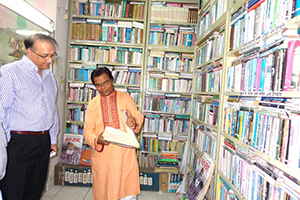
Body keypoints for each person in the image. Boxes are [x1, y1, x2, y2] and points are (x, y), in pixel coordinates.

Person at [0, 33, 59, 200]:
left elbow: (52, 110)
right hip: (17, 142)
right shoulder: (10, 72)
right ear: (30, 52)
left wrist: (53, 139)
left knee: (35, 191)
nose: (50, 60)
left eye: (52, 55)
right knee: (14, 192)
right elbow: (1, 110)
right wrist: (5, 144)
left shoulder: (49, 77)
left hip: (42, 142)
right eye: (45, 56)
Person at [83, 67, 144, 200]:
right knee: (104, 193)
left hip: (125, 155)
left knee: (127, 192)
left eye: (106, 83)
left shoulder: (125, 97)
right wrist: (97, 139)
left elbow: (137, 115)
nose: (103, 88)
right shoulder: (93, 104)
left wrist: (134, 121)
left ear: (112, 80)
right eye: (98, 85)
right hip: (103, 156)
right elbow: (87, 130)